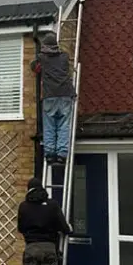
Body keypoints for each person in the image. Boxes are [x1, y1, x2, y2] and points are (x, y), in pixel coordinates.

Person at [31, 32, 76, 165]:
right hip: (66, 95)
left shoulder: (42, 58)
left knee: (50, 126)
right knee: (64, 125)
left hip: (50, 96)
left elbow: (34, 67)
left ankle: (50, 154)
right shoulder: (64, 57)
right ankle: (62, 154)